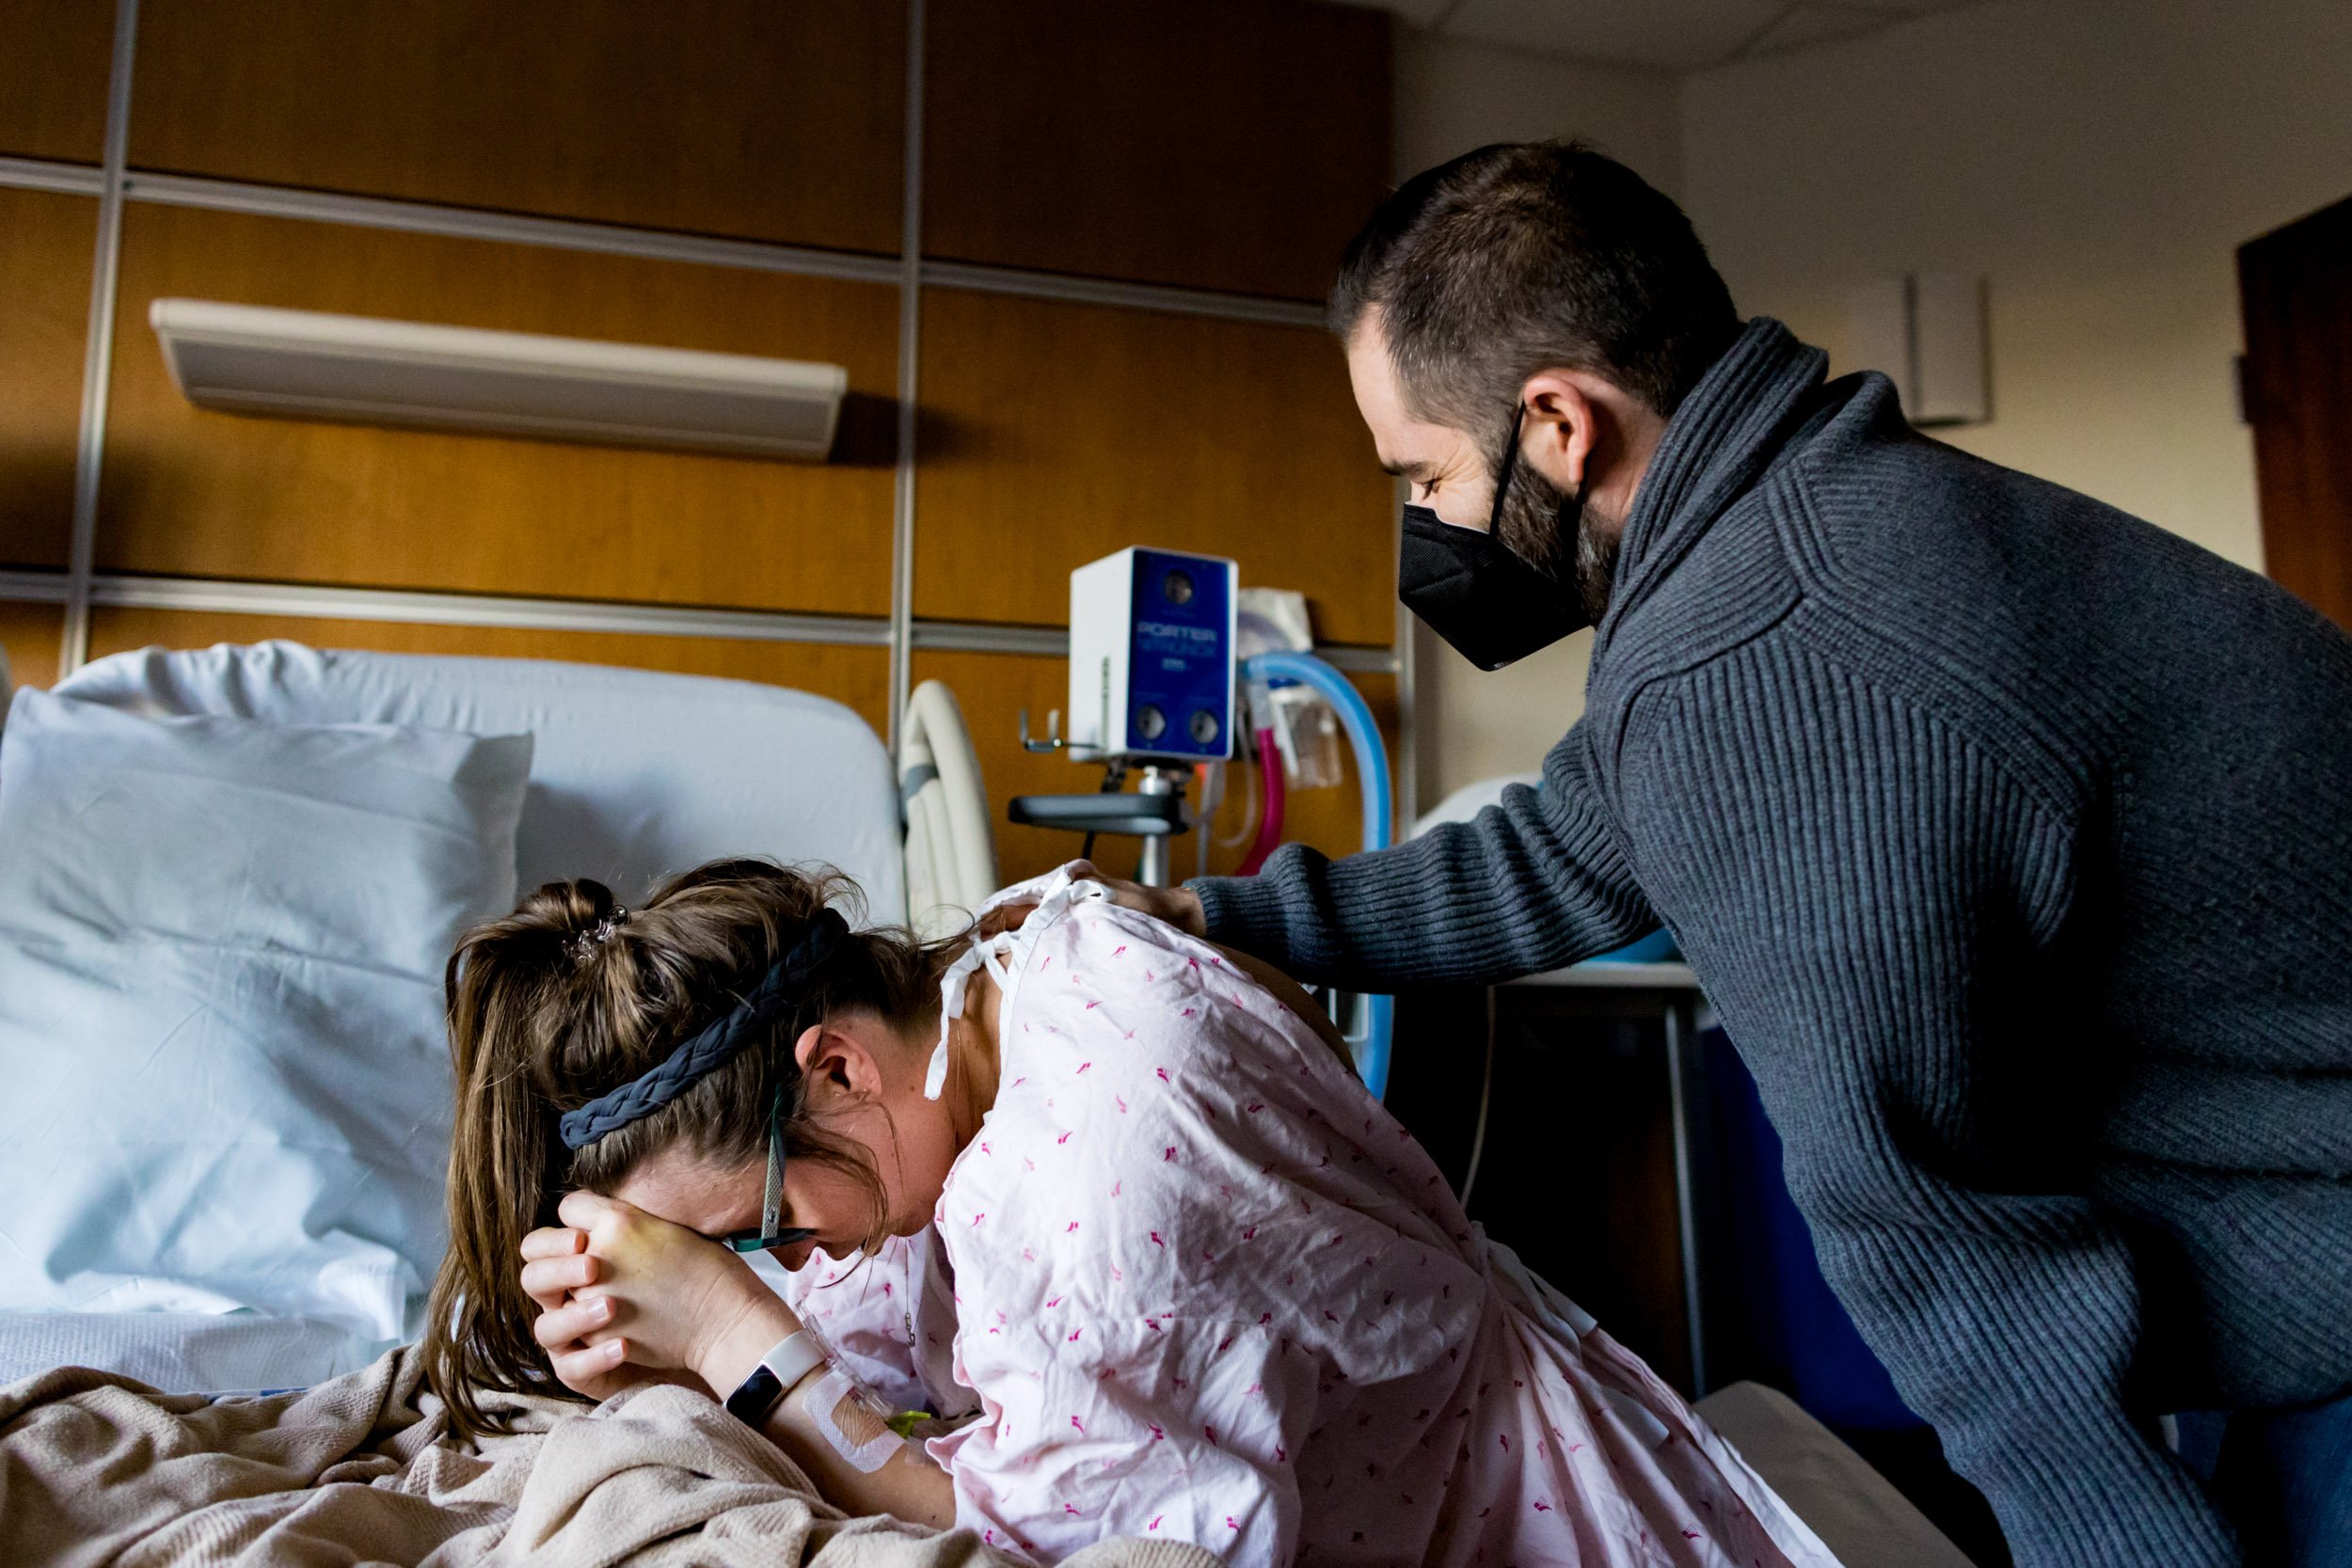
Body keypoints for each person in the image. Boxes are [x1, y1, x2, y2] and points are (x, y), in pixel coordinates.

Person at [1085, 141, 2352, 1568]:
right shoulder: (1817, 511)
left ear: (1560, 424)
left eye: (1424, 474)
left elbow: (1938, 1237)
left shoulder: (1752, 653)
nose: (1424, 529)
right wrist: (1218, 909)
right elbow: (1559, 854)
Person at [420, 858, 1842, 1567]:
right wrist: (665, 1325)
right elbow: (892, 1308)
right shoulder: (1020, 952)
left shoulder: (1101, 1200)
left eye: (772, 1228)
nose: (808, 1260)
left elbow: (1024, 1548)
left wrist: (739, 1333)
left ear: (837, 1066)